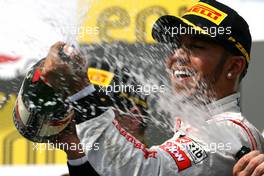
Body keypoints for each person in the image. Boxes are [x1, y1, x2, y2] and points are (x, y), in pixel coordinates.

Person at [15, 0, 264, 175]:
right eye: (177, 46)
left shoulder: (231, 133)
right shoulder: (201, 131)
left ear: (233, 67)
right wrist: (76, 150)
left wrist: (81, 92)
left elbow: (143, 170)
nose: (177, 56)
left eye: (196, 47)